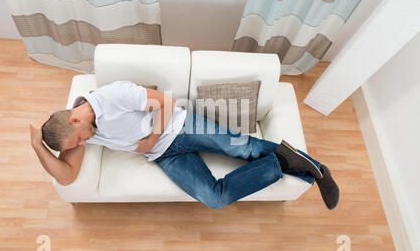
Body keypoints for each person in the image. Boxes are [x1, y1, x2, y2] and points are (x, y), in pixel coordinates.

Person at [30, 81, 339, 210]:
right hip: (164, 156)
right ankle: (284, 163)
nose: (85, 143)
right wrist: (38, 147)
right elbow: (66, 176)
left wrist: (150, 139)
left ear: (73, 120)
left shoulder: (112, 95)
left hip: (181, 127)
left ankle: (318, 169)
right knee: (214, 198)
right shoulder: (80, 130)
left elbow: (165, 101)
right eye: (80, 144)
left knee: (242, 149)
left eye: (80, 139)